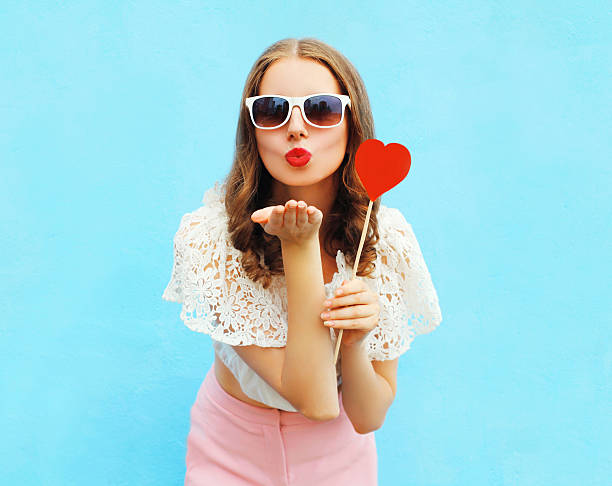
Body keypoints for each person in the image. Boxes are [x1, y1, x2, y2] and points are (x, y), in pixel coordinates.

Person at [162, 37, 443, 486]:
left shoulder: (386, 237)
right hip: (231, 450)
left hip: (340, 459)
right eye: (273, 110)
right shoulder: (212, 237)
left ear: (352, 123)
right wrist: (299, 247)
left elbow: (367, 416)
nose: (296, 129)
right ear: (251, 128)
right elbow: (314, 399)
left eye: (322, 109)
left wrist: (355, 341)